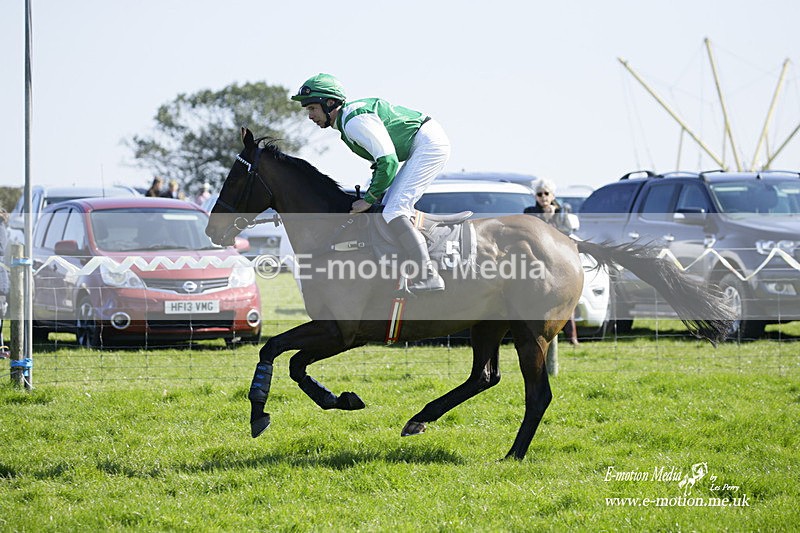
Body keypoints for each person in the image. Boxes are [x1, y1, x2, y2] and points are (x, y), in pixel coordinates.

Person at [292, 73, 450, 293]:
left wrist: (368, 200)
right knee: (388, 208)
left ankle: (429, 275)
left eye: (312, 109)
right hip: (422, 142)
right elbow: (382, 164)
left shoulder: (354, 123)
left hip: (428, 144)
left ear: (329, 103)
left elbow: (388, 162)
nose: (309, 116)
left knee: (394, 211)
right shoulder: (347, 123)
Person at [524, 178, 580, 345]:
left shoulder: (562, 212)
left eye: (546, 193)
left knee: (566, 300)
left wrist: (553, 217)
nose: (543, 197)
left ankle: (572, 337)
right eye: (539, 194)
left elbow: (566, 235)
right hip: (537, 261)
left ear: (552, 195)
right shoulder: (530, 211)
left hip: (558, 262)